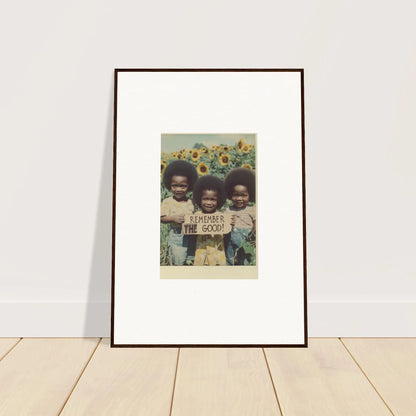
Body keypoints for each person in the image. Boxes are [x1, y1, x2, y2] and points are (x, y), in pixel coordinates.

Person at [161, 160, 198, 265]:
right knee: (178, 261)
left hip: (192, 235)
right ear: (169, 185)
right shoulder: (167, 201)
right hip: (177, 236)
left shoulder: (192, 201)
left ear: (189, 186)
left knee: (191, 260)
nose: (178, 189)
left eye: (183, 186)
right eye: (174, 186)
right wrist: (173, 218)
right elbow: (161, 218)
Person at [192, 175, 227, 266]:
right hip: (201, 253)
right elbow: (191, 231)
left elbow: (226, 230)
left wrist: (230, 223)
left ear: (219, 200)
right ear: (199, 198)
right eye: (205, 199)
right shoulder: (196, 216)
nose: (209, 203)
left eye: (213, 200)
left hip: (217, 254)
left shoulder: (221, 216)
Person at [224, 168, 256, 265]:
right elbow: (222, 224)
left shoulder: (252, 209)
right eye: (235, 195)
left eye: (243, 195)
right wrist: (227, 222)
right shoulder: (228, 210)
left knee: (245, 261)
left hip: (246, 240)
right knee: (229, 259)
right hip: (230, 241)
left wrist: (253, 236)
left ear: (250, 195)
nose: (239, 198)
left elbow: (256, 224)